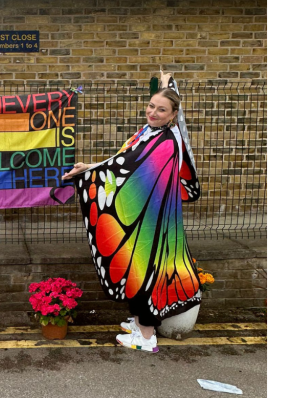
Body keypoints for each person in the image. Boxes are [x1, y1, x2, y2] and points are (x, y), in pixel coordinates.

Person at [62, 70, 202, 354]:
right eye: (151, 106)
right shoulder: (152, 132)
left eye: (161, 110)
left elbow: (127, 169)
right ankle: (140, 325)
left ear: (173, 115)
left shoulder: (164, 142)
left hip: (150, 221)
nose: (153, 112)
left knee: (144, 271)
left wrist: (90, 174)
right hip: (145, 217)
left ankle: (146, 337)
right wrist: (89, 168)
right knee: (135, 269)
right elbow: (121, 160)